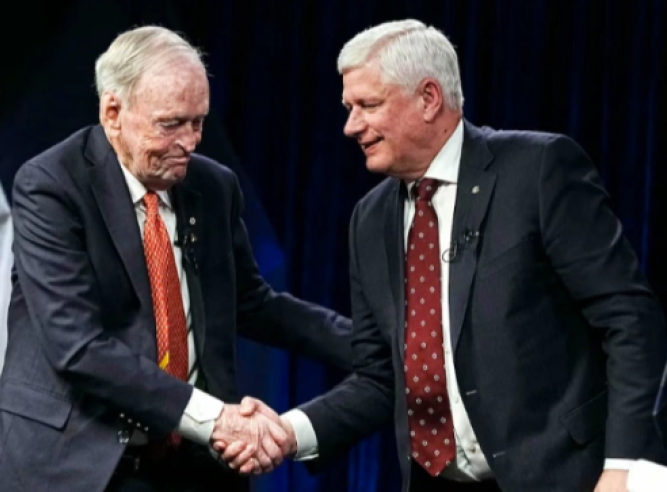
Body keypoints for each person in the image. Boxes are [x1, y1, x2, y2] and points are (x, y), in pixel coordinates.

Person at [220, 18, 667, 492]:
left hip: (569, 478)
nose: (351, 126)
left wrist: (626, 465)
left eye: (368, 105)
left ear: (429, 98)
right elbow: (379, 377)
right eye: (349, 108)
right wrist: (289, 432)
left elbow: (629, 319)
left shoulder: (537, 170)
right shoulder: (369, 219)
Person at [0, 26, 350, 492]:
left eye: (198, 122)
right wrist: (216, 419)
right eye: (171, 124)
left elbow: (253, 304)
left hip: (186, 468)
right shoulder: (52, 186)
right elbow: (77, 346)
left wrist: (373, 344)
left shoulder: (213, 188)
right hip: (66, 464)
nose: (190, 141)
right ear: (113, 113)